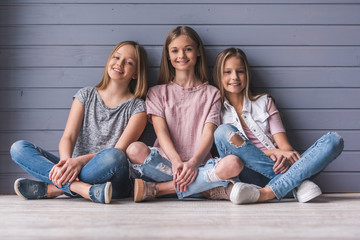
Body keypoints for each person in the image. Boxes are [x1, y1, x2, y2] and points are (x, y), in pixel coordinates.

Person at [10, 41, 148, 204]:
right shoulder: (86, 95)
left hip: (113, 180)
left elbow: (120, 151)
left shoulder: (138, 108)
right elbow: (68, 136)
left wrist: (79, 162)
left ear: (136, 74)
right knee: (18, 148)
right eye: (117, 57)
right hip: (75, 169)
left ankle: (54, 189)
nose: (120, 63)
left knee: (115, 155)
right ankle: (82, 189)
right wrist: (67, 162)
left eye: (129, 62)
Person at [126, 26, 251, 204]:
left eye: (188, 49)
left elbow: (209, 133)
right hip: (165, 164)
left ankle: (159, 189)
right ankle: (206, 188)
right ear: (168, 56)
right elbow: (161, 133)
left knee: (234, 164)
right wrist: (177, 162)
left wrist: (193, 163)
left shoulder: (212, 93)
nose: (181, 55)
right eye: (175, 50)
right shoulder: (156, 92)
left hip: (200, 163)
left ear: (198, 51)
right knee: (134, 150)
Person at [211, 47, 344, 204]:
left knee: (334, 140)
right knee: (223, 131)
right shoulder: (215, 110)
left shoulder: (264, 101)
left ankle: (267, 192)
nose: (234, 77)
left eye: (240, 71)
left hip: (280, 167)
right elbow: (232, 158)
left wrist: (283, 155)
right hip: (247, 175)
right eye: (227, 72)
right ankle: (297, 184)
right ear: (219, 75)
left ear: (247, 74)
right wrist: (273, 152)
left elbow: (286, 149)